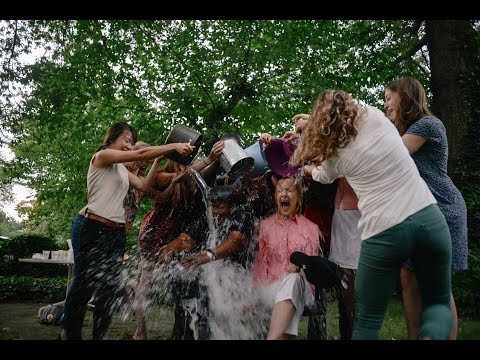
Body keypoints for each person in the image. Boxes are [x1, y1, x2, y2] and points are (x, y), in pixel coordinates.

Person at [290, 89, 452, 340]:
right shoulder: (376, 117)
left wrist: (310, 165)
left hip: (385, 231)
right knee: (439, 304)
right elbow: (347, 117)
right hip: (429, 218)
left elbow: (322, 174)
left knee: (367, 322)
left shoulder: (336, 158)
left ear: (322, 120)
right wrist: (315, 121)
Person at [59, 121, 194, 340]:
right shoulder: (102, 157)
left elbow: (143, 185)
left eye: (131, 143)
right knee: (84, 283)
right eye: (126, 140)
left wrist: (158, 160)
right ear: (111, 137)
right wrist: (172, 147)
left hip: (115, 233)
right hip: (90, 226)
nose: (129, 147)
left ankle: (99, 336)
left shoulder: (121, 170)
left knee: (109, 288)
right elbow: (140, 153)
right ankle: (69, 334)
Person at [385, 77, 468, 340]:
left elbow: (393, 153)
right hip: (416, 212)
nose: (386, 105)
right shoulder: (401, 131)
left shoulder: (429, 125)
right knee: (408, 276)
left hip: (443, 209)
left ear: (406, 98)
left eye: (390, 98)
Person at [132, 140, 224, 340]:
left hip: (174, 236)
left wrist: (213, 161)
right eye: (181, 162)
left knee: (172, 278)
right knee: (147, 279)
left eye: (187, 162)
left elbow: (199, 174)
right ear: (172, 162)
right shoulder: (159, 175)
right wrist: (208, 159)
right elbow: (181, 176)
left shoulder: (188, 178)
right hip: (154, 232)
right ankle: (140, 329)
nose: (185, 166)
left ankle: (181, 328)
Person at [158, 185, 255, 339]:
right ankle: (185, 329)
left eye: (221, 206)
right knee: (180, 275)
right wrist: (168, 251)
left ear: (232, 206)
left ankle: (204, 327)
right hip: (210, 272)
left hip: (236, 276)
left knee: (207, 279)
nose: (216, 211)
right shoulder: (206, 218)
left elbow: (235, 240)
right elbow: (185, 239)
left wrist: (207, 256)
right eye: (213, 206)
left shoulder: (241, 215)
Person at [251, 176, 320, 340]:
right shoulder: (265, 226)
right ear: (275, 197)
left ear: (298, 197)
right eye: (280, 191)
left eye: (289, 190)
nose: (284, 194)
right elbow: (261, 265)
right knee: (288, 293)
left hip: (303, 287)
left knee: (293, 279)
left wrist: (299, 268)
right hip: (271, 288)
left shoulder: (311, 228)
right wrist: (254, 294)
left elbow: (313, 266)